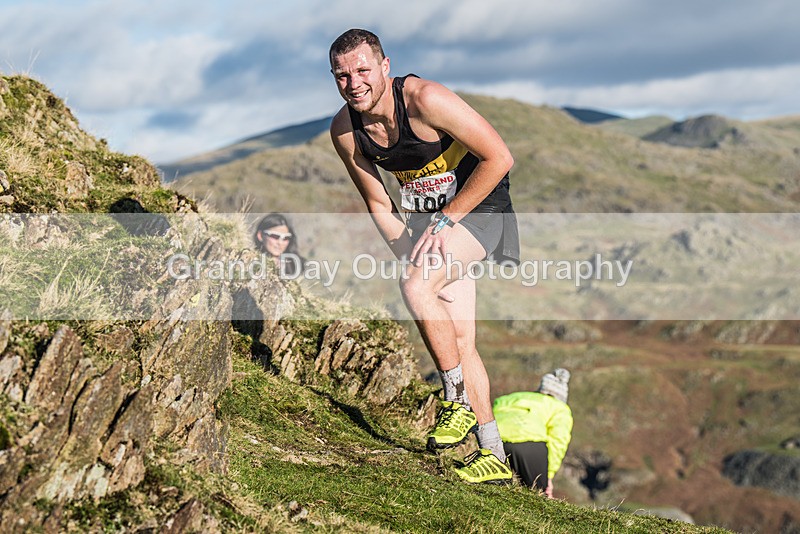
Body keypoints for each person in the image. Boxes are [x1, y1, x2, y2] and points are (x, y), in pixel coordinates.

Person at [328, 28, 520, 484]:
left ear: (385, 66)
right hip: (428, 226)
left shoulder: (426, 99)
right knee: (459, 339)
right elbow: (379, 203)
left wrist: (450, 219)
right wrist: (406, 252)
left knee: (416, 286)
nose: (354, 83)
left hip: (479, 207)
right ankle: (492, 454)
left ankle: (455, 401)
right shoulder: (344, 130)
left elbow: (500, 158)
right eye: (341, 75)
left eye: (362, 70)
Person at [494, 368, 573, 496]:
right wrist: (548, 476)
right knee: (538, 495)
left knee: (497, 487)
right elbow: (558, 441)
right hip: (529, 446)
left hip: (495, 441)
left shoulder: (510, 398)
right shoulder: (560, 408)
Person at [254, 213, 305, 277]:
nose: (280, 242)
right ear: (260, 235)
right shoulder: (250, 262)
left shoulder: (296, 267)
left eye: (286, 238)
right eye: (275, 236)